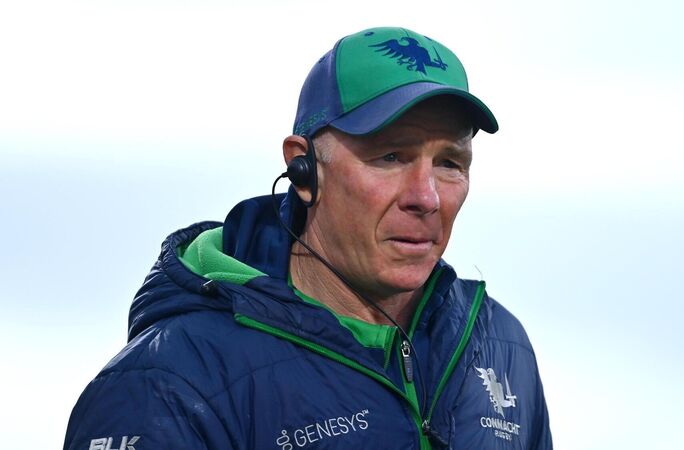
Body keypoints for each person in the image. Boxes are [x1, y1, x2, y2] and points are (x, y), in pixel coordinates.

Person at [64, 26, 552, 450]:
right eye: (390, 157)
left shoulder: (499, 346)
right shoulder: (170, 384)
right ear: (303, 168)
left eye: (449, 163)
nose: (426, 197)